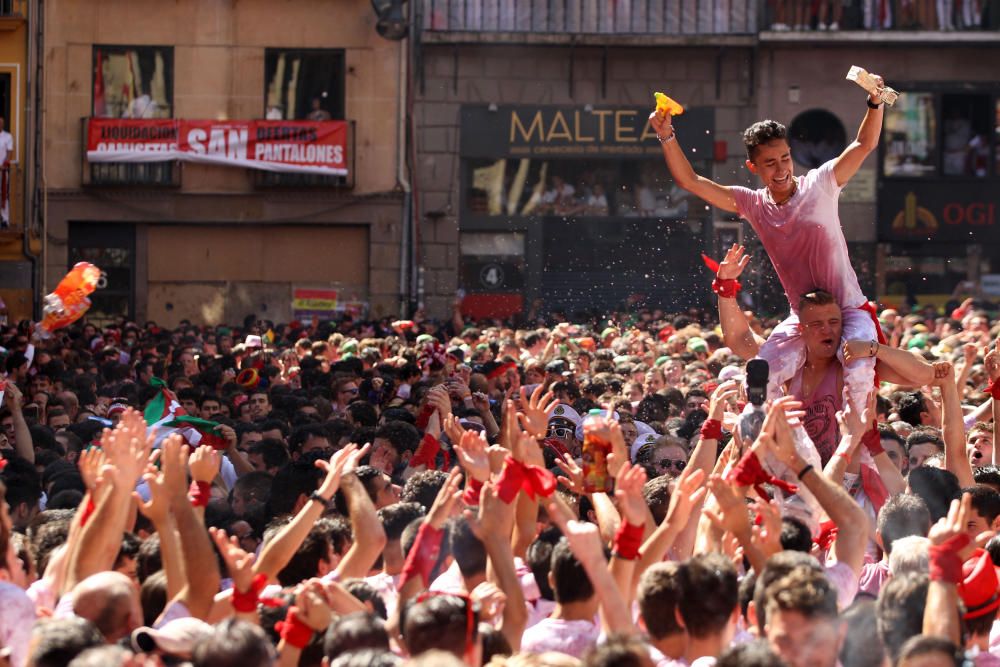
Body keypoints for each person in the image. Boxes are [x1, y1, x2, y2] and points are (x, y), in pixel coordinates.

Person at [650, 74, 887, 415]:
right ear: (753, 167)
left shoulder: (820, 183)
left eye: (785, 159)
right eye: (770, 163)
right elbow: (690, 180)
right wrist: (666, 135)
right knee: (758, 377)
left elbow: (863, 145)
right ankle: (774, 448)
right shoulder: (751, 204)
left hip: (848, 311)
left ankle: (859, 450)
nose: (781, 170)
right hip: (801, 319)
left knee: (860, 370)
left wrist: (875, 102)